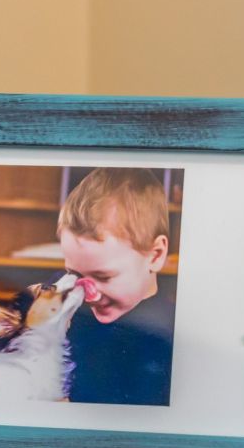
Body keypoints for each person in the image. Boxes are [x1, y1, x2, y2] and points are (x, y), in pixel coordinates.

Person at [57, 167, 177, 406]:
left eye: (104, 277)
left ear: (155, 255)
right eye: (74, 273)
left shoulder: (167, 338)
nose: (86, 294)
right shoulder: (66, 307)